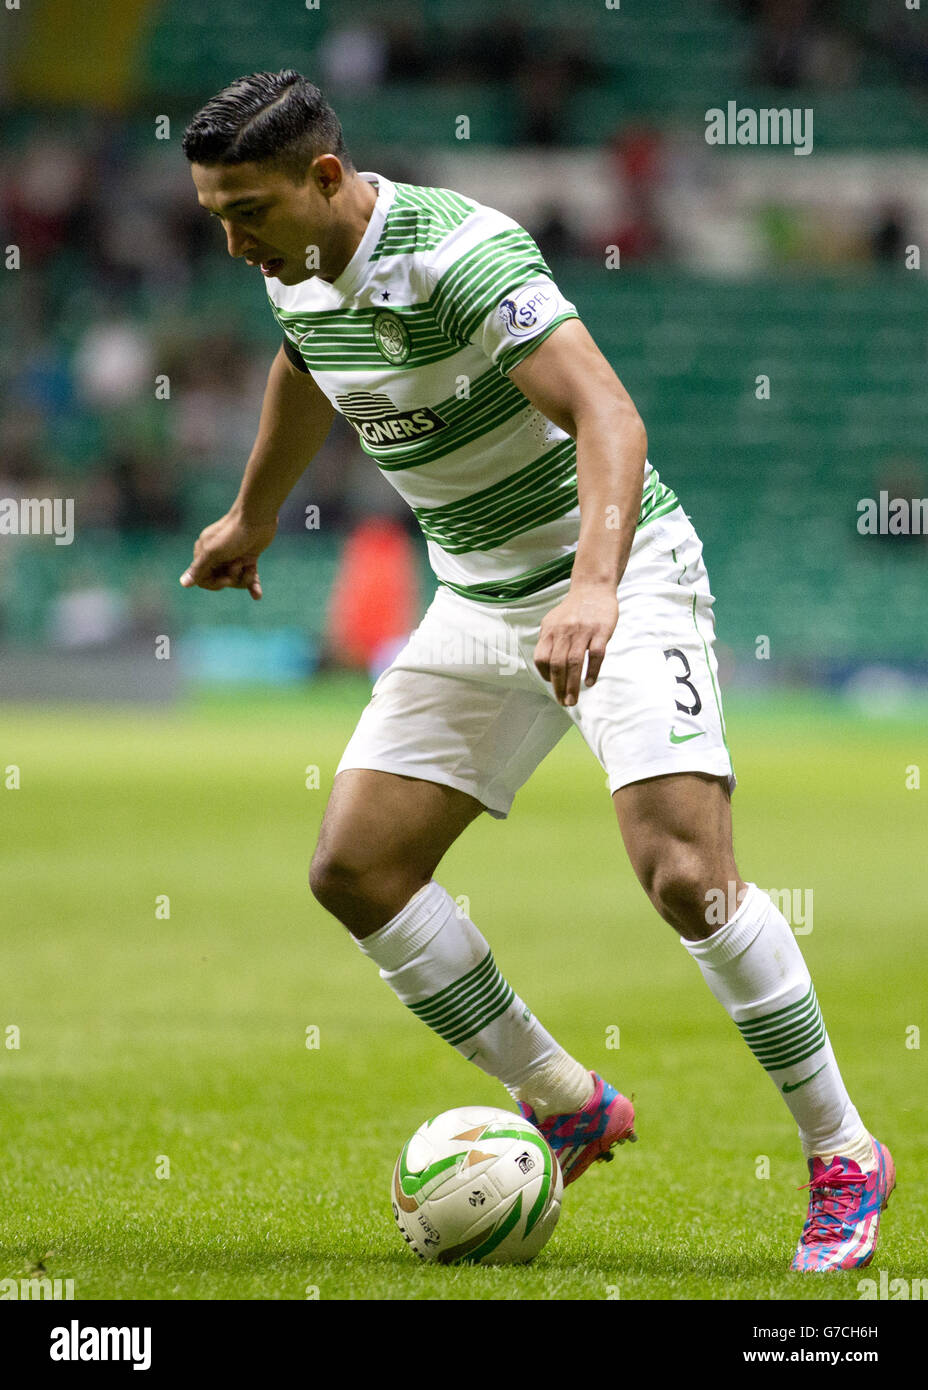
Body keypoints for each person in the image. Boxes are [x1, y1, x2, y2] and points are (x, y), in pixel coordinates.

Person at [179, 70, 893, 1272]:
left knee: (685, 877)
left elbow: (610, 415)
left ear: (326, 178)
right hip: (481, 597)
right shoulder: (291, 268)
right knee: (356, 867)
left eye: (245, 209)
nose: (231, 237)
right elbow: (305, 368)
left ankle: (840, 1152)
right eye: (214, 216)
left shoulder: (458, 254)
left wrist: (596, 585)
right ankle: (562, 1097)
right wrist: (252, 516)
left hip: (621, 571)